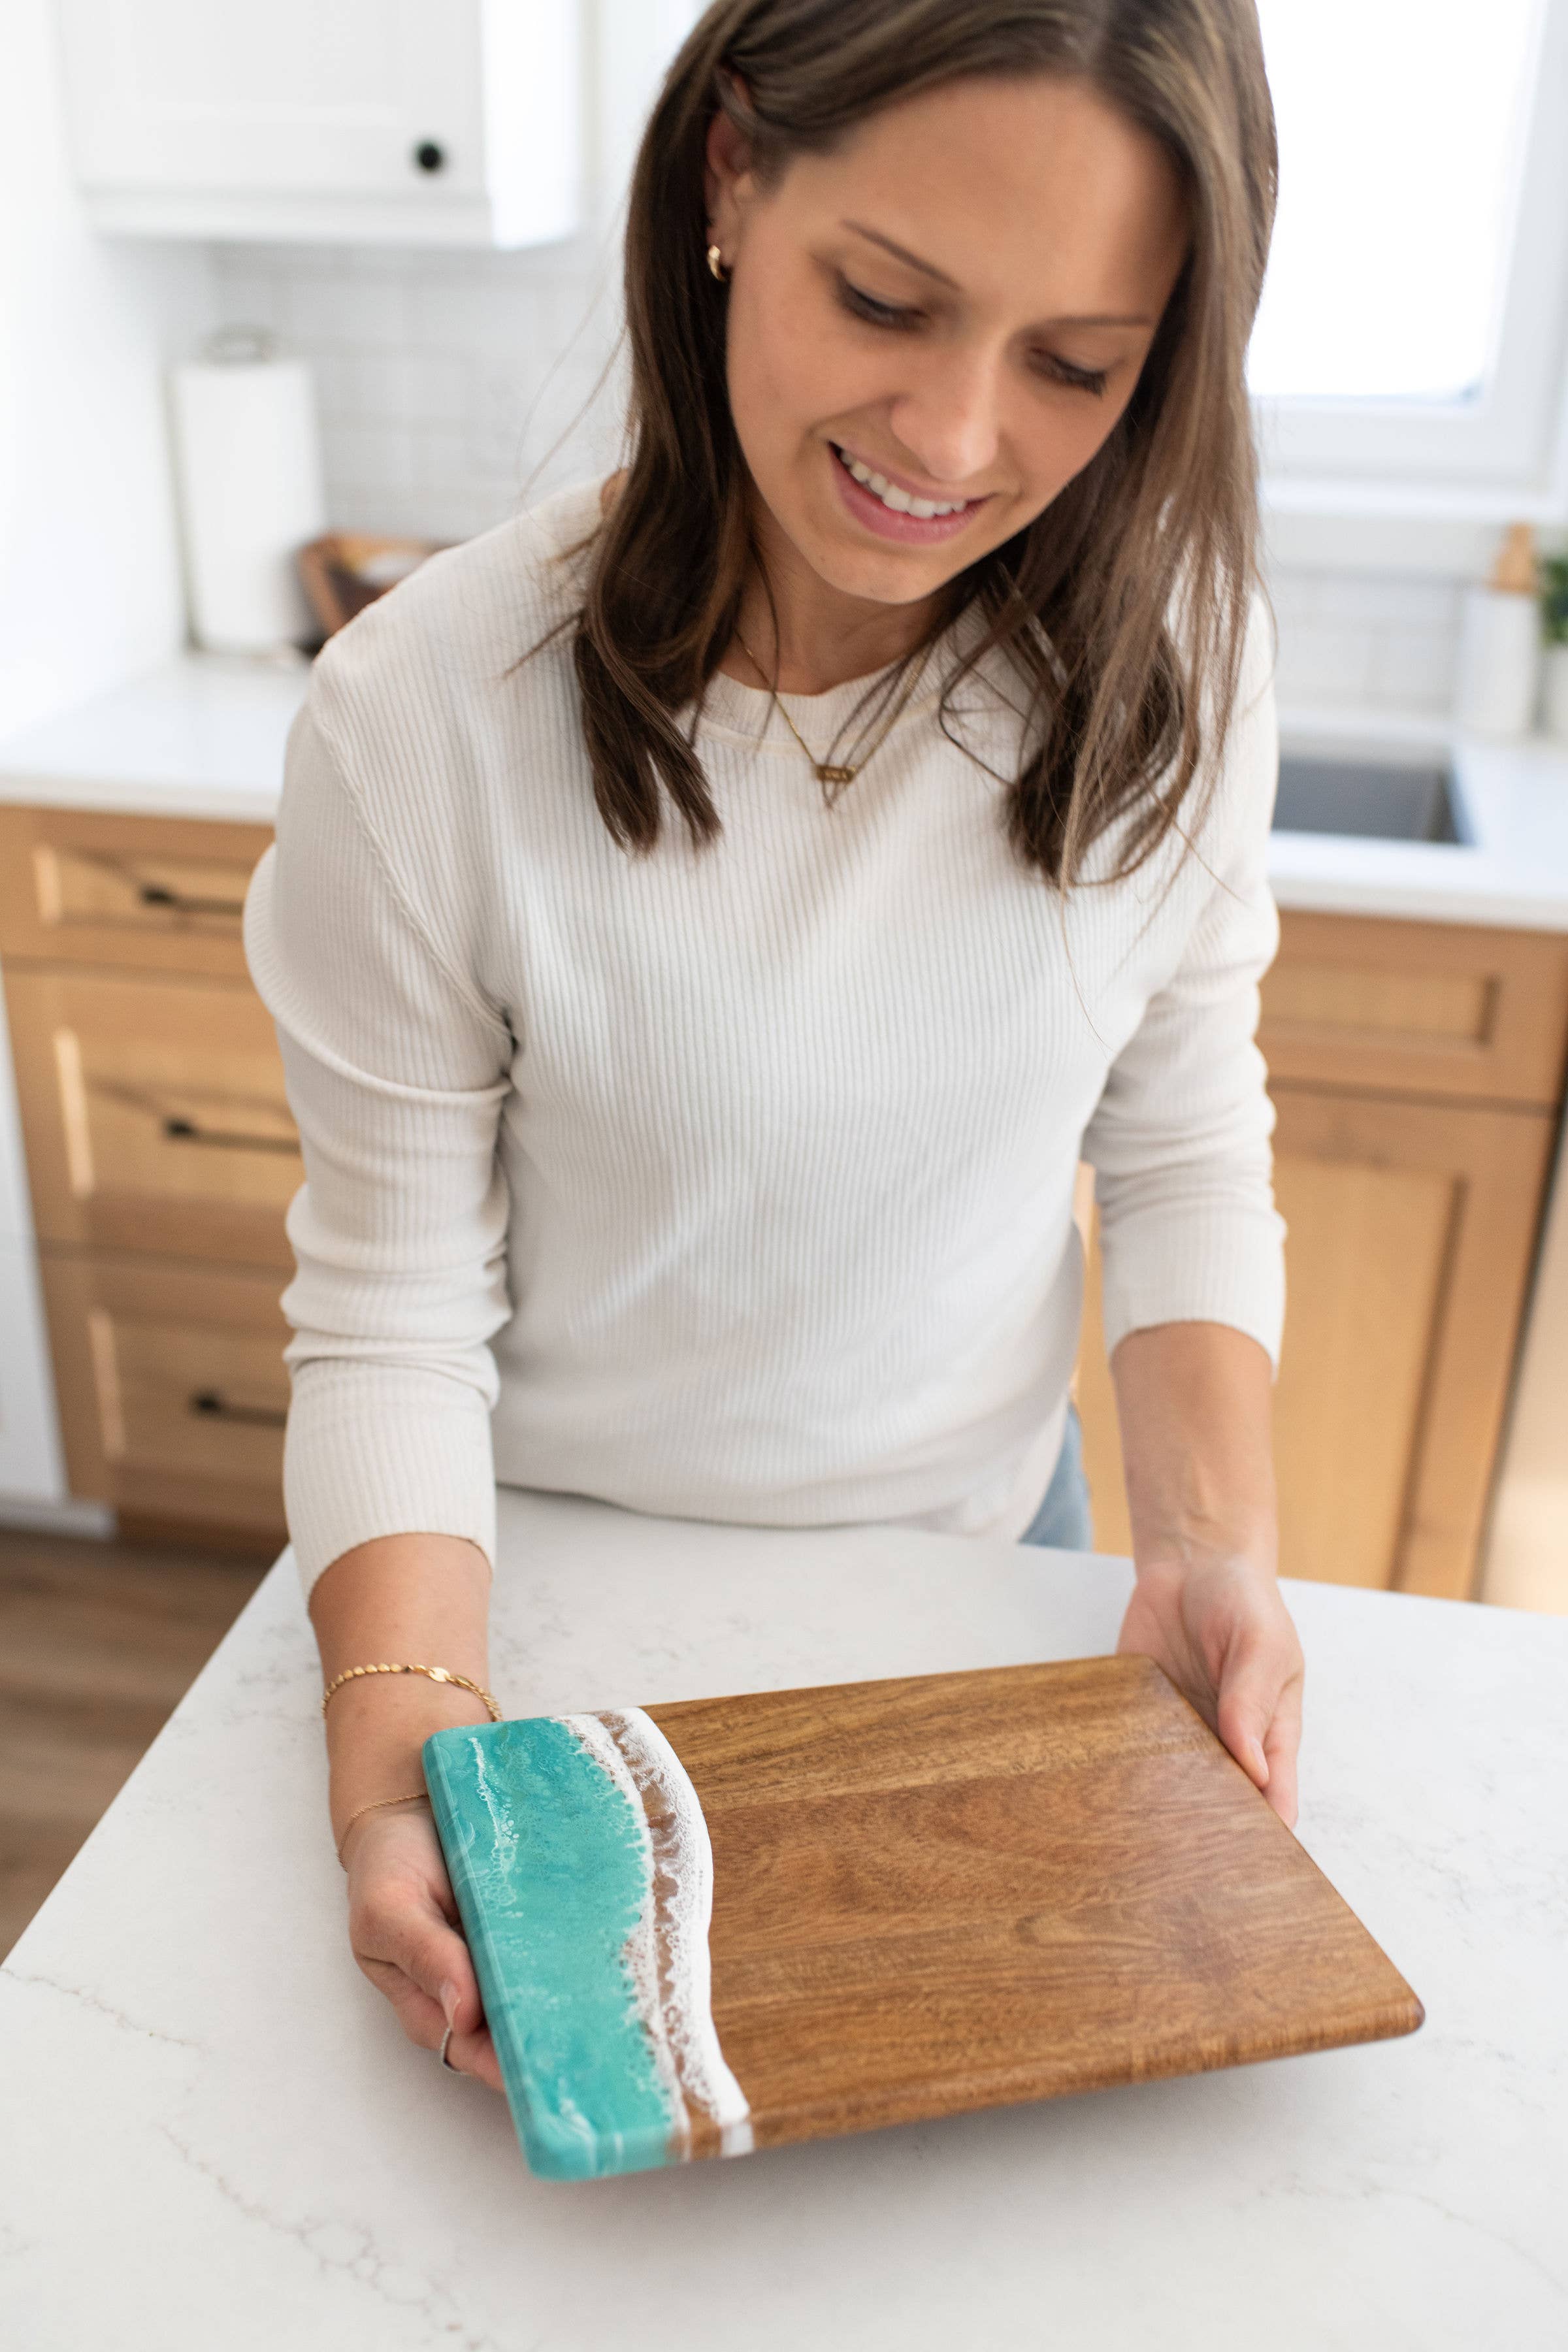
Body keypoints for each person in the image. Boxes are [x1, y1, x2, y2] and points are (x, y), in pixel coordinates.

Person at [245, 0, 1303, 2093]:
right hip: (540, 1613)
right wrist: (399, 1747)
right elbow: (384, 1316)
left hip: (986, 1576)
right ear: (733, 177)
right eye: (887, 300)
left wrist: (1208, 1550)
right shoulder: (425, 716)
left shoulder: (1181, 667)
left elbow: (1182, 1142)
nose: (953, 437)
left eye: (1078, 365)